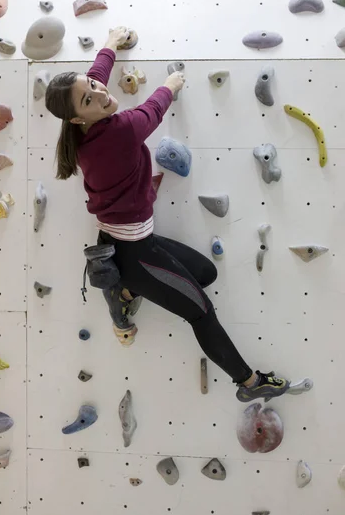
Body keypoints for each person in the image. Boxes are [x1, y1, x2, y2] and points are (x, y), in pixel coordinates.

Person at [45, 26, 290, 403]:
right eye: (89, 99)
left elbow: (93, 76)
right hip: (134, 252)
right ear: (78, 118)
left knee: (205, 273)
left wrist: (110, 45)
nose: (99, 93)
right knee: (201, 312)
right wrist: (172, 84)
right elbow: (153, 110)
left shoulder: (85, 122)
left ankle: (125, 288)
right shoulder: (119, 131)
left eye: (93, 88)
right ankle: (249, 381)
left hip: (130, 239)